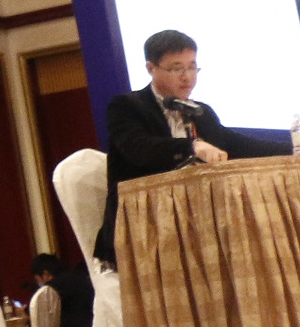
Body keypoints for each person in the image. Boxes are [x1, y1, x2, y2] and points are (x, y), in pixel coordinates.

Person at [97, 29, 287, 266]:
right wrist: (192, 146)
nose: (187, 77)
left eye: (192, 67)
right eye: (176, 69)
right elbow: (140, 149)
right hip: (142, 228)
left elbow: (237, 144)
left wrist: (295, 149)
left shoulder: (200, 111)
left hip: (197, 223)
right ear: (151, 68)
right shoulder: (127, 106)